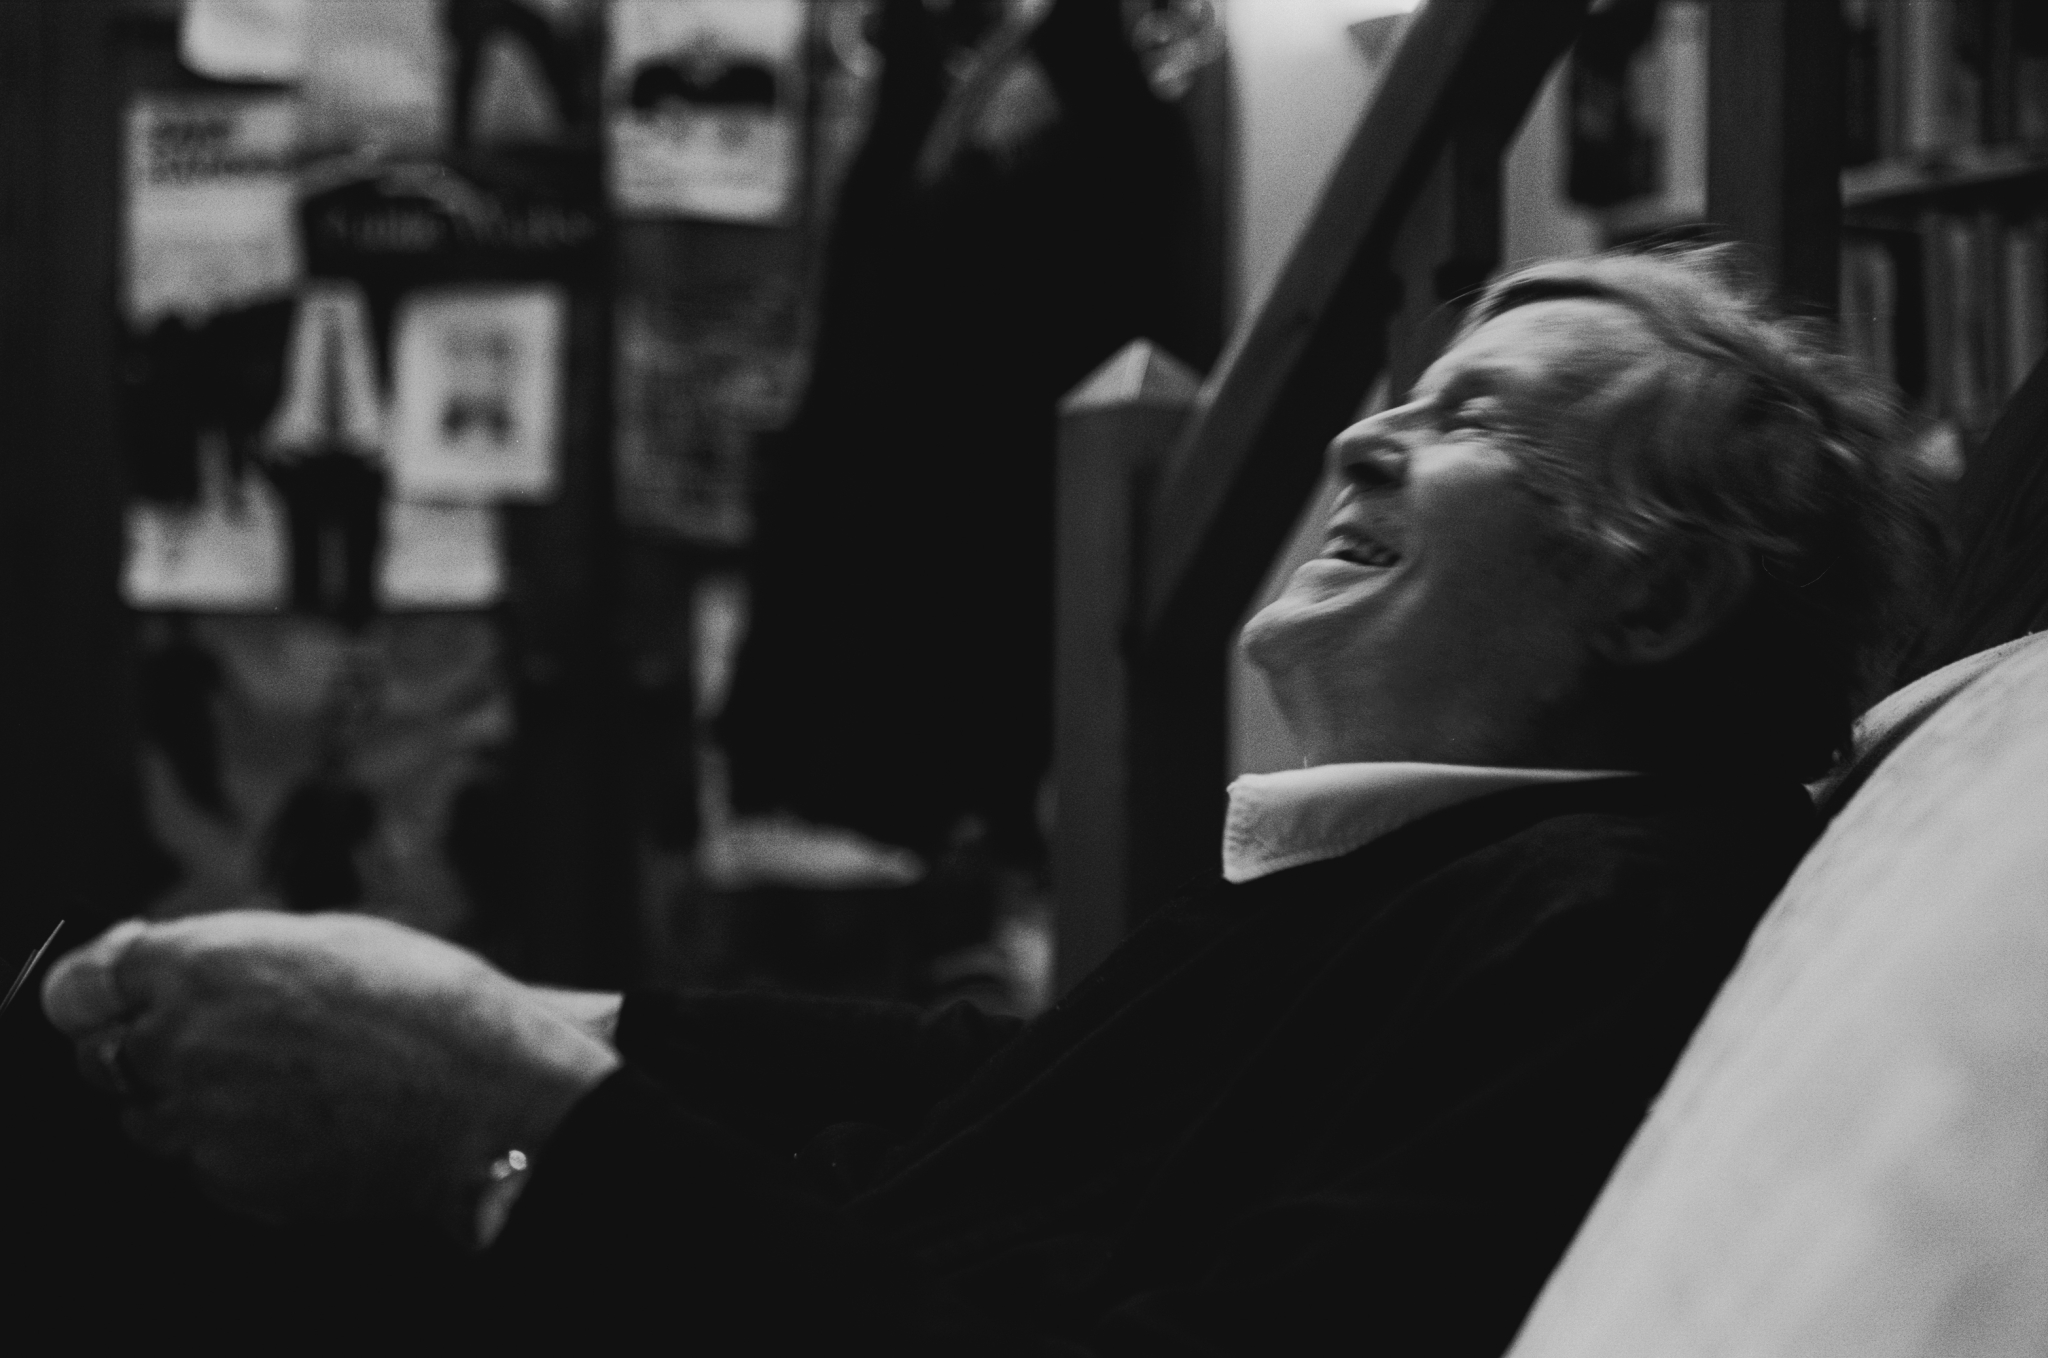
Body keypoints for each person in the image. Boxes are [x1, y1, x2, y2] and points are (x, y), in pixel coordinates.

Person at [38, 247, 1935, 1353]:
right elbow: (1008, 1083)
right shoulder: (1420, 873)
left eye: (1475, 419)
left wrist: (512, 1118)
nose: (1364, 432)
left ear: (1658, 600)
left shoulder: (1603, 916)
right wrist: (568, 1023)